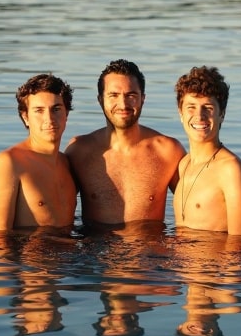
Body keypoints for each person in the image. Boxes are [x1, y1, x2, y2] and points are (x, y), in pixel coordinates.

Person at [65, 59, 186, 226]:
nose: (123, 104)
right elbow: (55, 207)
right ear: (100, 99)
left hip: (149, 250)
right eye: (113, 95)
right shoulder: (79, 151)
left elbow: (195, 208)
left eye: (131, 95)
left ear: (142, 99)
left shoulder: (168, 151)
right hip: (95, 249)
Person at [0, 73, 77, 231]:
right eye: (39, 111)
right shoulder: (10, 162)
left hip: (71, 254)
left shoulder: (67, 163)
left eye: (56, 109)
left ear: (66, 114)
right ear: (26, 117)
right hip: (30, 255)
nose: (49, 119)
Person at [173, 66, 241, 236]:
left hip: (216, 262)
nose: (199, 116)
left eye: (208, 107)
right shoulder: (183, 164)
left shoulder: (231, 168)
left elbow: (240, 245)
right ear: (181, 113)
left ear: (221, 114)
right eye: (191, 107)